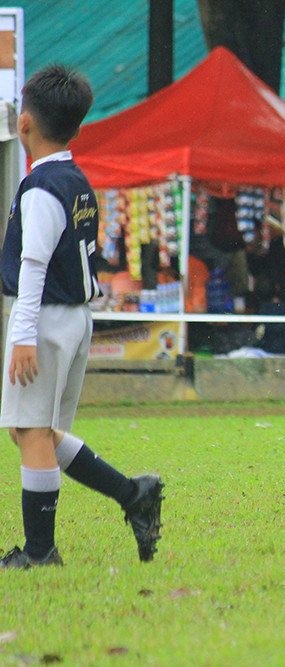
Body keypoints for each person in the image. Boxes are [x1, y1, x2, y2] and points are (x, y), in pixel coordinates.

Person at [0, 64, 164, 569]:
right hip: (72, 319)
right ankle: (132, 493)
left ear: (24, 123)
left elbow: (33, 268)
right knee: (37, 432)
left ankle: (41, 551)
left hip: (45, 320)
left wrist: (22, 336)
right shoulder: (77, 181)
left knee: (31, 433)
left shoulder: (42, 188)